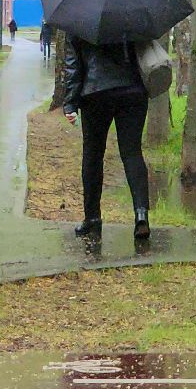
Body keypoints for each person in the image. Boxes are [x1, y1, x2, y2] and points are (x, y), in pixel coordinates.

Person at [49, 35, 152, 239]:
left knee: (93, 156)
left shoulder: (81, 18)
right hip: (133, 90)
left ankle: (92, 219)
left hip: (96, 93)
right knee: (132, 153)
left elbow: (73, 65)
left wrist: (70, 103)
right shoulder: (132, 13)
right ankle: (141, 214)